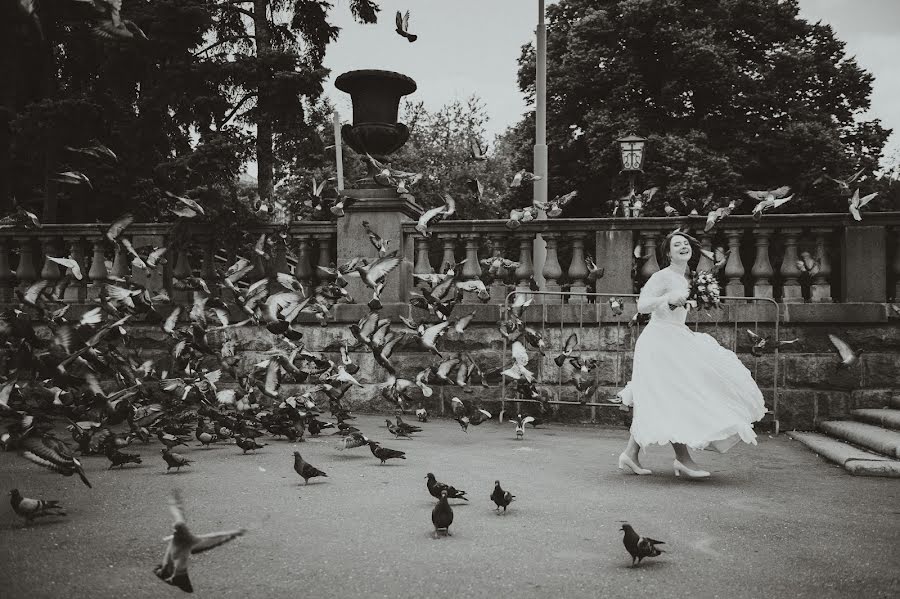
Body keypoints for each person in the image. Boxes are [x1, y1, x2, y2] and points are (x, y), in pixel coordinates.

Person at [616, 230, 766, 479]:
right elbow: (642, 305)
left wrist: (694, 299)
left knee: (661, 396)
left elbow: (682, 305)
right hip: (659, 340)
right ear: (668, 252)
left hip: (678, 336)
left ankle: (630, 454)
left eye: (686, 244)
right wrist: (667, 298)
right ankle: (683, 460)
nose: (683, 247)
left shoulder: (690, 278)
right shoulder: (662, 276)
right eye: (677, 245)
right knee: (674, 395)